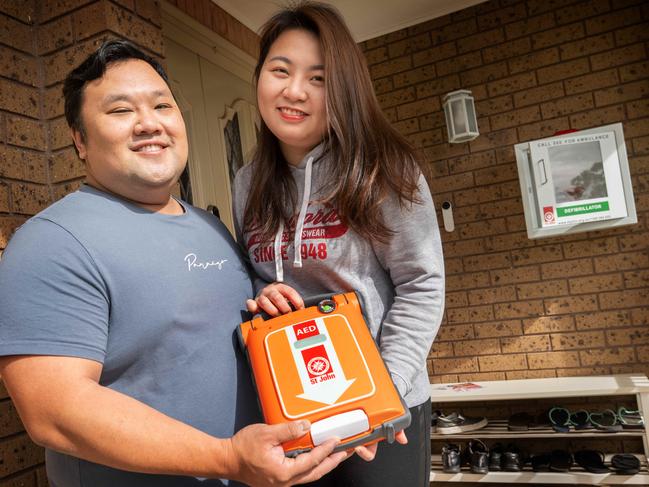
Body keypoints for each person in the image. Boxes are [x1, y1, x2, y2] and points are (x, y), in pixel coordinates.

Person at [0, 39, 349, 487]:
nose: (149, 123)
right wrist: (227, 458)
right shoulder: (52, 242)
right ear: (80, 141)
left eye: (162, 105)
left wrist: (265, 307)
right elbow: (55, 412)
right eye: (121, 111)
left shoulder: (210, 226)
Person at [232, 3, 445, 486]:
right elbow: (259, 276)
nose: (293, 91)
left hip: (378, 407)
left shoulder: (384, 168)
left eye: (318, 78)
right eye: (279, 70)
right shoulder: (248, 181)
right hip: (291, 410)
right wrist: (262, 293)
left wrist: (385, 394)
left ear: (343, 89)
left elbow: (422, 285)